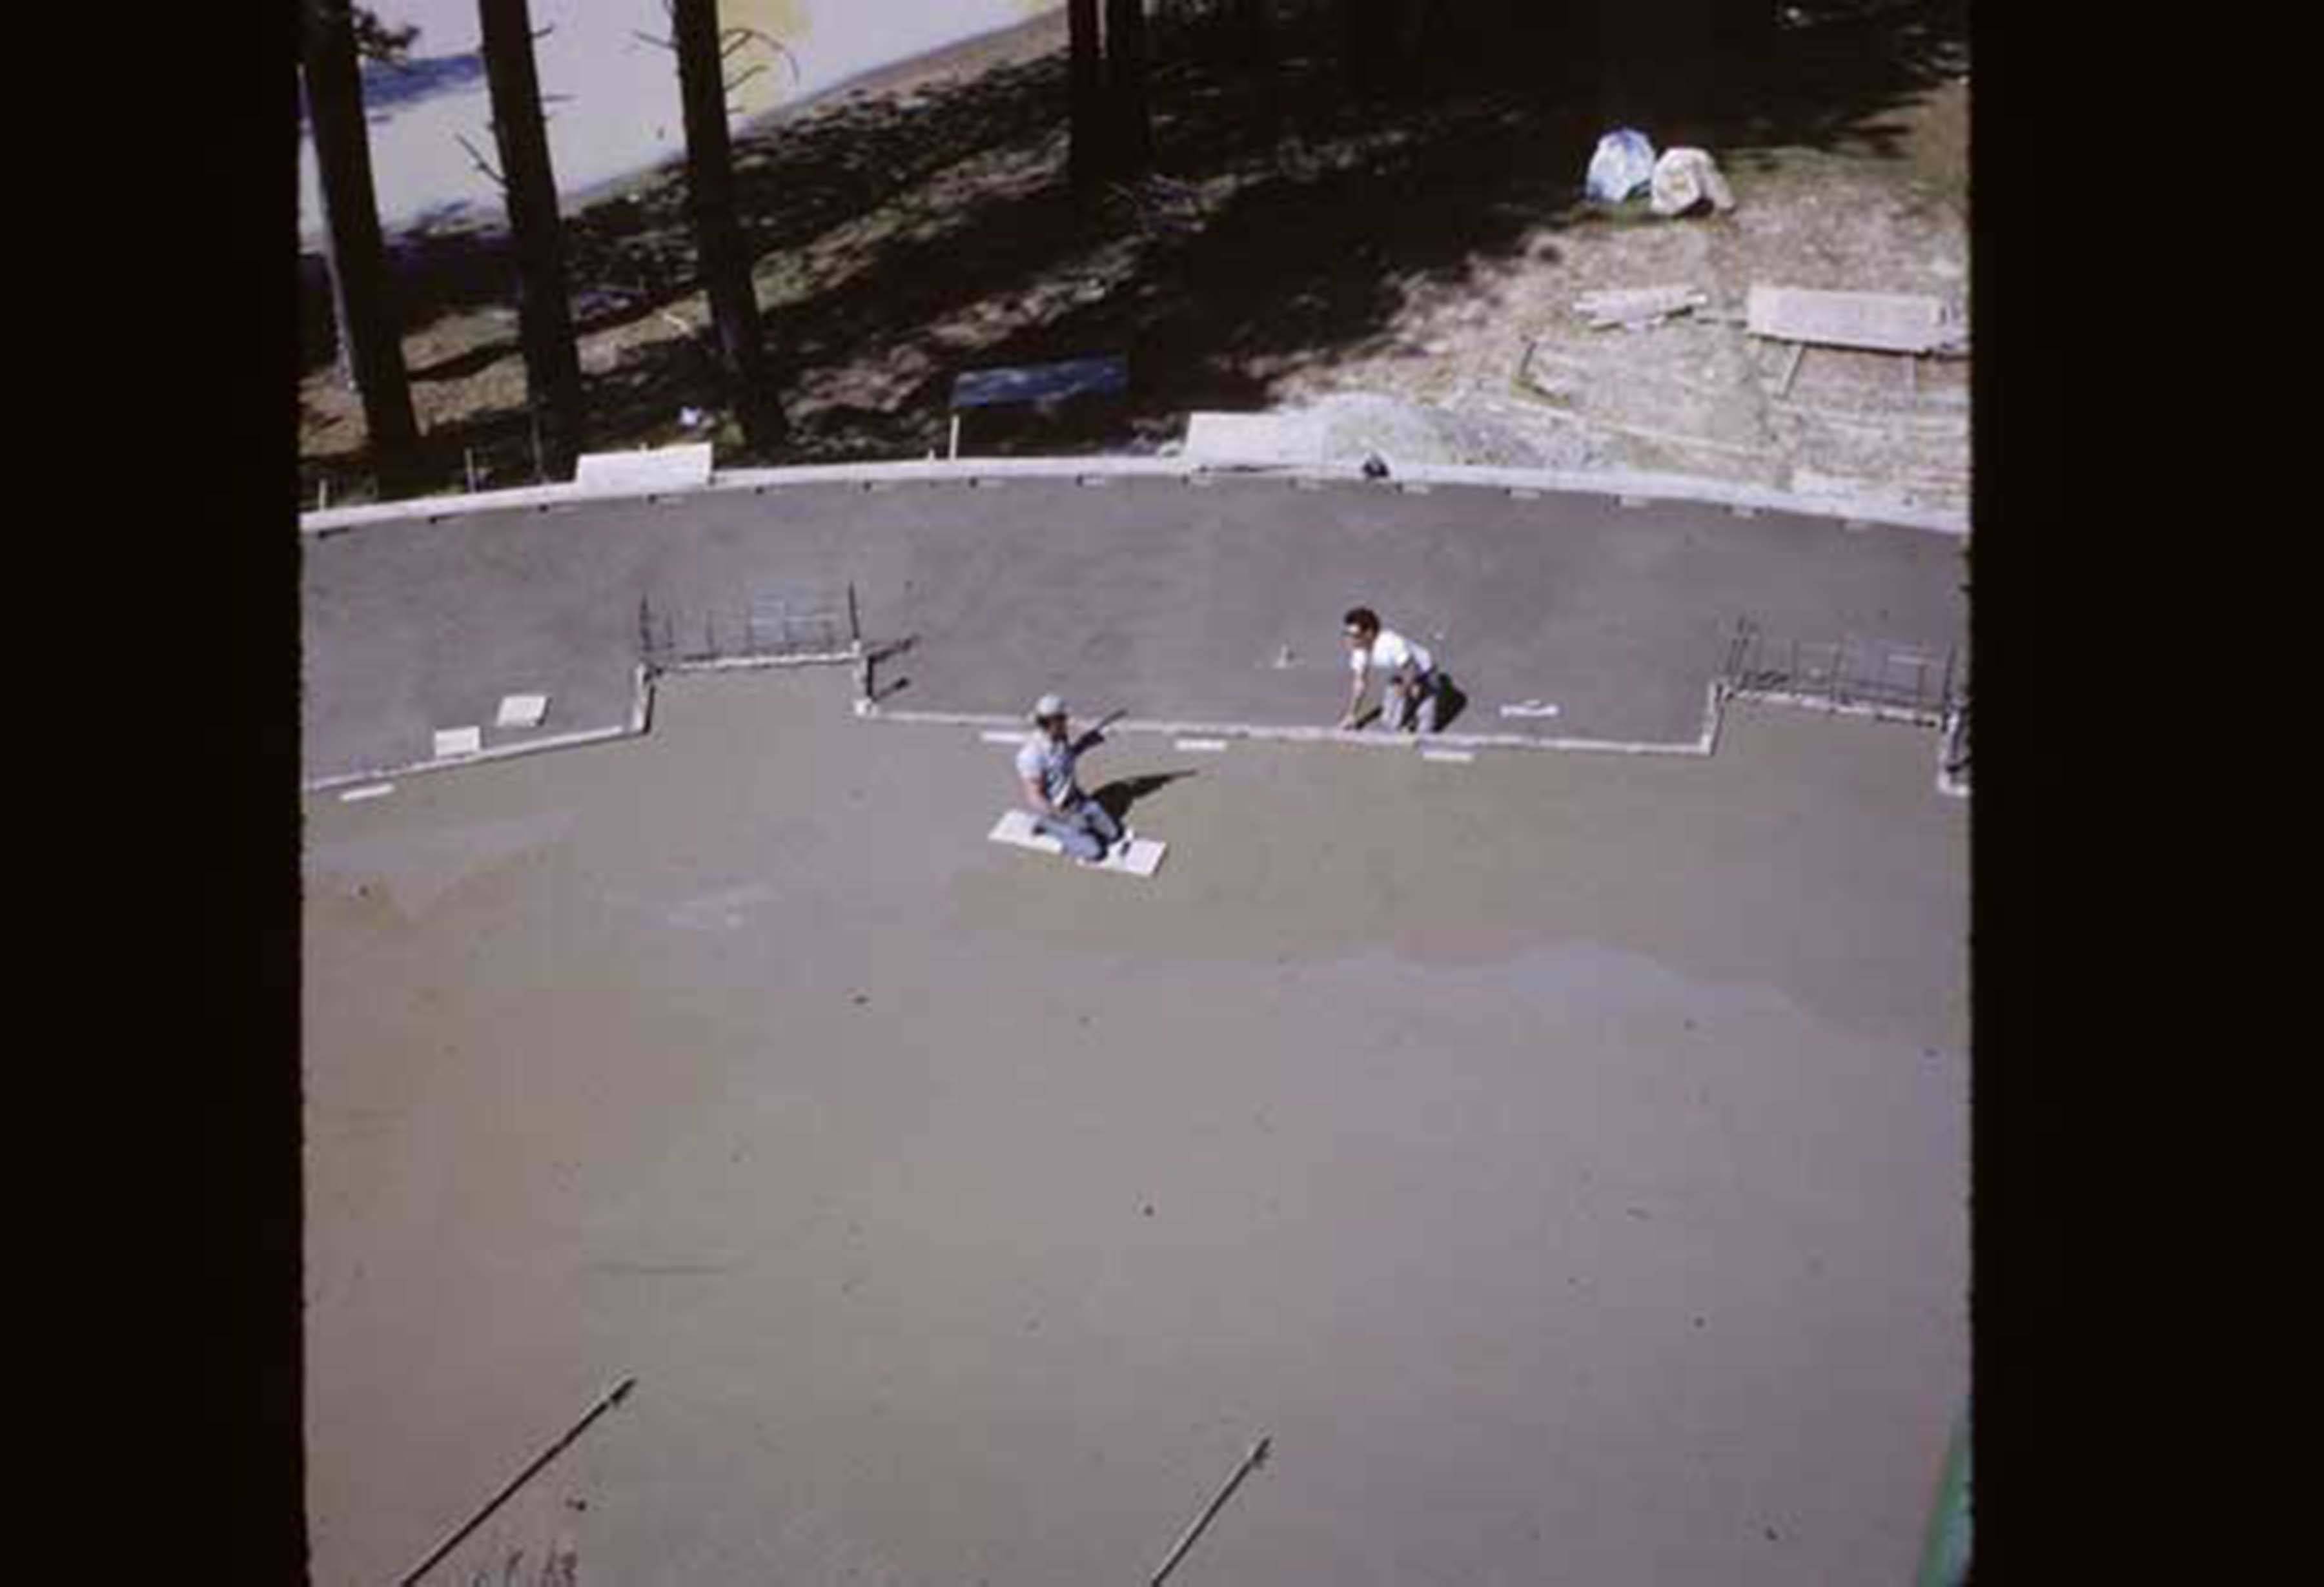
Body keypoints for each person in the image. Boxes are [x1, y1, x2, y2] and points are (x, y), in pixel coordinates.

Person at [1015, 694, 1128, 864]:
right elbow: (1035, 797)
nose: (1067, 721)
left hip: (1078, 800)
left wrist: (1088, 742)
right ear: (1053, 722)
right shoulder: (1032, 755)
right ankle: (1047, 826)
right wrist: (1065, 817)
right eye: (1063, 718)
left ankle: (1075, 826)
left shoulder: (1060, 738)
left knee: (1115, 834)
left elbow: (1068, 757)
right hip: (1057, 812)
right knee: (1095, 853)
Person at [1338, 606, 1445, 732]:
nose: (1349, 640)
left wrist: (1408, 690)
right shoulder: (1359, 651)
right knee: (1390, 722)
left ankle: (1422, 708)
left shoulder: (1391, 643)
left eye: (1354, 636)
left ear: (1369, 633)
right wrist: (1352, 714)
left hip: (1425, 673)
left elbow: (1412, 667)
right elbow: (1359, 684)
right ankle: (1408, 718)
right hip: (1401, 676)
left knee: (1425, 729)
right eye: (1347, 634)